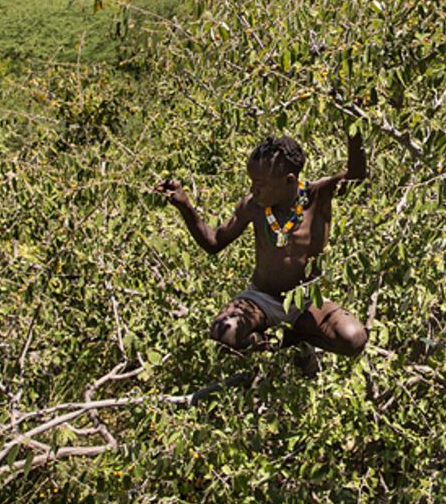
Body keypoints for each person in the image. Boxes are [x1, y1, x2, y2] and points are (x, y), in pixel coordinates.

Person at [154, 131, 369, 358]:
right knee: (223, 333)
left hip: (305, 302)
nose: (252, 190)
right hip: (262, 299)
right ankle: (280, 346)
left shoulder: (317, 196)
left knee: (354, 339)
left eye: (259, 184)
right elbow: (214, 242)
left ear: (289, 181)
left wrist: (353, 128)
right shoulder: (253, 206)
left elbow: (356, 176)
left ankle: (300, 338)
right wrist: (185, 206)